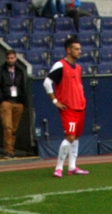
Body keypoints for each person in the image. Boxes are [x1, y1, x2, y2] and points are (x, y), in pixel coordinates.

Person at [44, 36, 89, 177]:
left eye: (80, 49)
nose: (79, 51)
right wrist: (54, 101)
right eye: (76, 49)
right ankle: (58, 168)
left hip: (80, 106)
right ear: (68, 50)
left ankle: (72, 167)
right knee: (70, 136)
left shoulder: (79, 68)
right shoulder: (60, 65)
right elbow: (46, 82)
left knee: (75, 137)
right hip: (68, 108)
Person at [0, 49, 28, 159]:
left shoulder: (20, 71)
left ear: (16, 58)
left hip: (18, 102)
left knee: (14, 128)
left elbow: (23, 86)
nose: (10, 60)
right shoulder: (0, 70)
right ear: (6, 58)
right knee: (7, 127)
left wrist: (23, 101)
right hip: (6, 101)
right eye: (8, 58)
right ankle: (8, 151)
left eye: (12, 58)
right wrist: (1, 99)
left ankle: (12, 150)